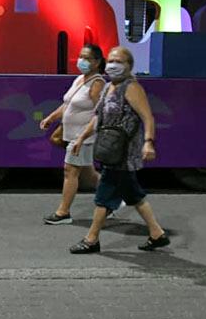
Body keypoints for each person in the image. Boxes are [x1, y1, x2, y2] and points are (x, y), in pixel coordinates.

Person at [68, 46, 170, 252]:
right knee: (133, 194)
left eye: (119, 61)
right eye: (111, 60)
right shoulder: (108, 87)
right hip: (110, 149)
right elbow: (97, 117)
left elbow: (147, 117)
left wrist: (149, 142)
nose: (113, 65)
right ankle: (157, 233)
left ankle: (91, 239)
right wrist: (81, 138)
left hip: (124, 152)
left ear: (129, 66)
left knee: (104, 195)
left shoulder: (131, 88)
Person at [39, 44, 105, 224]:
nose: (81, 61)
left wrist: (83, 137)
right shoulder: (79, 80)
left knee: (70, 171)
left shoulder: (97, 84)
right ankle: (113, 197)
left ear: (97, 62)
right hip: (71, 134)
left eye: (87, 58)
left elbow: (100, 113)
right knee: (90, 175)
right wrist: (50, 118)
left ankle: (63, 213)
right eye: (80, 56)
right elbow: (67, 104)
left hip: (83, 136)